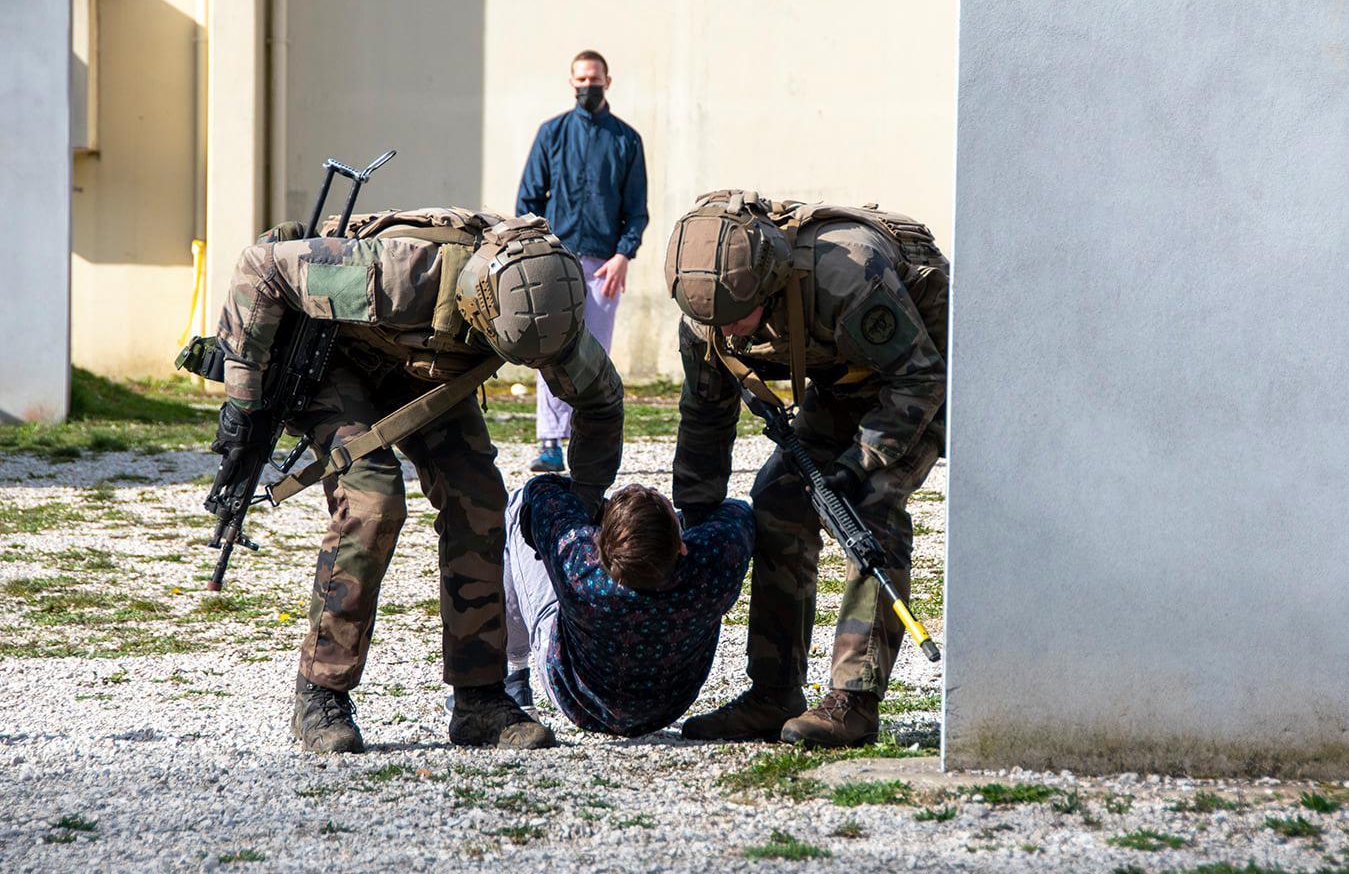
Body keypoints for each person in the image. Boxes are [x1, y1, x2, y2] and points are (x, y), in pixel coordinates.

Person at [212, 209, 624, 754]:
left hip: (431, 371)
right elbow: (261, 267)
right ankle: (320, 693)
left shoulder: (549, 309)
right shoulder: (398, 272)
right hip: (336, 358)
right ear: (479, 304)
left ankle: (479, 698)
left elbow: (602, 404)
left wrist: (586, 503)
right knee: (373, 501)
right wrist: (242, 404)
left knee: (480, 499)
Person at [664, 189, 949, 747]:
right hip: (847, 378)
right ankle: (774, 692)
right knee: (778, 496)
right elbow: (705, 415)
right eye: (713, 322)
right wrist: (695, 514)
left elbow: (921, 378)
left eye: (736, 319)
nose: (728, 333)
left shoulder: (846, 278)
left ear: (769, 285)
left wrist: (858, 464)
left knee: (868, 506)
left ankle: (854, 702)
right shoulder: (709, 312)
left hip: (925, 376)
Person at [501, 474, 754, 736]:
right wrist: (676, 527)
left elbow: (541, 489)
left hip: (575, 699)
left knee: (519, 503)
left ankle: (515, 671)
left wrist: (600, 508)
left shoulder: (580, 566)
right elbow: (737, 511)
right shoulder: (711, 564)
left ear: (598, 546)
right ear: (682, 546)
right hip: (668, 706)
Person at [517, 49, 648, 473]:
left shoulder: (626, 140)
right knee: (550, 351)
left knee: (594, 356)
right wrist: (539, 250)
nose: (587, 85)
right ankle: (550, 443)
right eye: (581, 79)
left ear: (608, 81)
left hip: (604, 267)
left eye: (594, 79)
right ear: (571, 82)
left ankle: (588, 443)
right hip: (556, 261)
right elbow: (528, 200)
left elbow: (637, 210)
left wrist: (623, 255)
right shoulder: (552, 134)